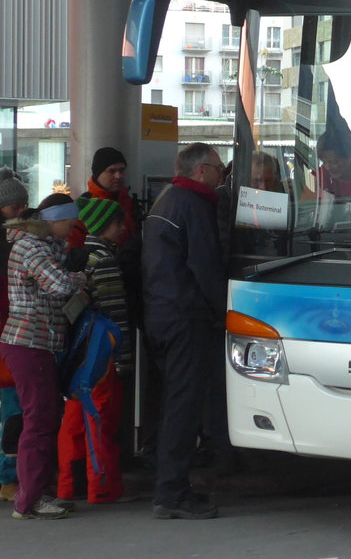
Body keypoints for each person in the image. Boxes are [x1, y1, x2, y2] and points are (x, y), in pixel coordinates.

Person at [140, 143, 226, 520]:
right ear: (201, 170)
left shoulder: (166, 200)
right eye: (218, 167)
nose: (223, 174)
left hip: (159, 314)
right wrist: (224, 312)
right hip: (185, 317)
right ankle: (172, 493)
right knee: (184, 406)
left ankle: (167, 482)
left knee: (170, 402)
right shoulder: (194, 204)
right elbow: (205, 266)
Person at [1, 193, 87, 520]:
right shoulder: (32, 247)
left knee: (45, 419)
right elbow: (60, 286)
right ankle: (29, 501)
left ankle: (39, 492)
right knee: (38, 422)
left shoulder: (40, 245)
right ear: (52, 221)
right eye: (68, 222)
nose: (72, 228)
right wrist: (78, 279)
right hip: (29, 343)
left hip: (37, 343)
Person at [56, 196, 132, 504]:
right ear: (106, 226)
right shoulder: (104, 260)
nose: (123, 228)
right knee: (101, 420)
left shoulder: (75, 255)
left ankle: (65, 487)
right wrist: (123, 362)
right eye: (118, 223)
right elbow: (116, 315)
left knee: (73, 423)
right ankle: (102, 488)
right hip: (100, 355)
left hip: (75, 356)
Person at [0, 168, 29, 503]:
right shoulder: (11, 246)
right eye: (14, 207)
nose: (20, 212)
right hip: (10, 336)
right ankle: (9, 478)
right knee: (14, 410)